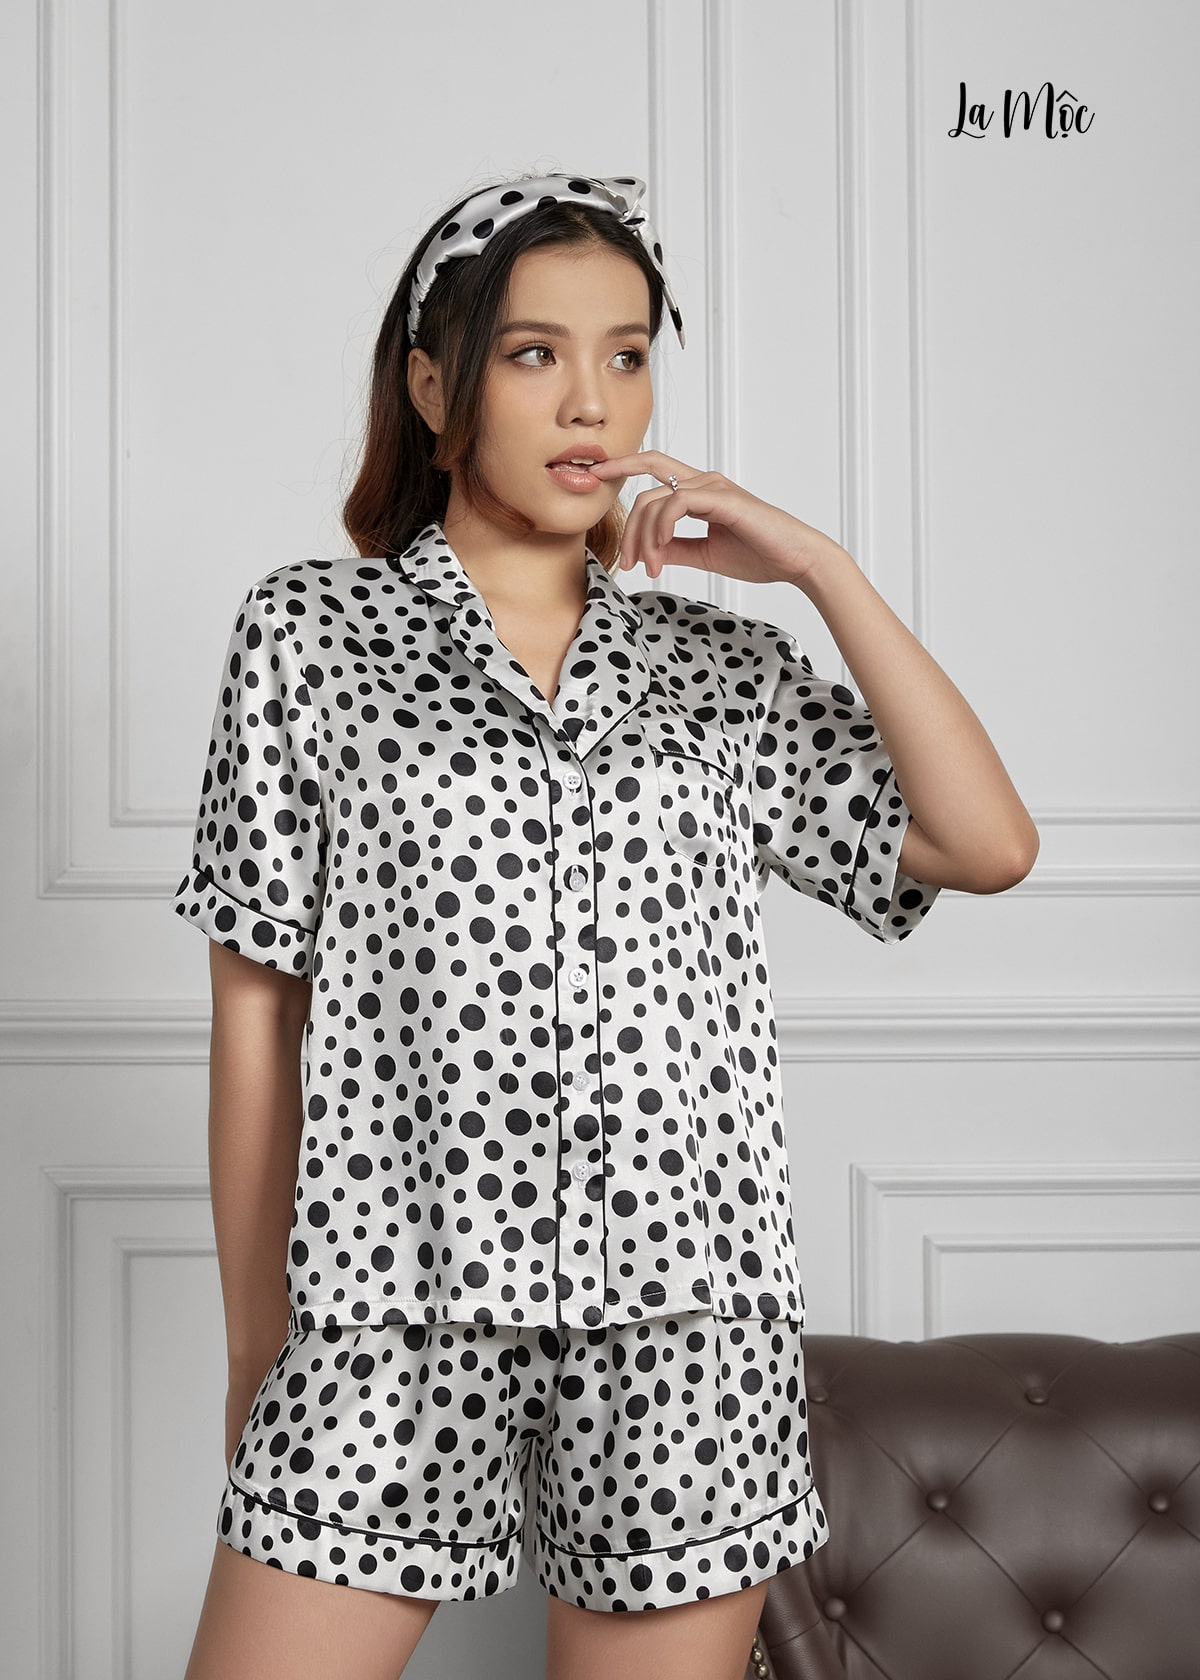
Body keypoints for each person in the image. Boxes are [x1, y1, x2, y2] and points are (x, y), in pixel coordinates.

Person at [175, 173, 1037, 1680]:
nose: (592, 401)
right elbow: (258, 1009)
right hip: (390, 1304)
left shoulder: (717, 668)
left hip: (687, 1326)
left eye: (627, 354)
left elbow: (987, 844)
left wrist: (818, 569)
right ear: (433, 385)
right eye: (534, 353)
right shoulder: (311, 637)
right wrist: (262, 1350)